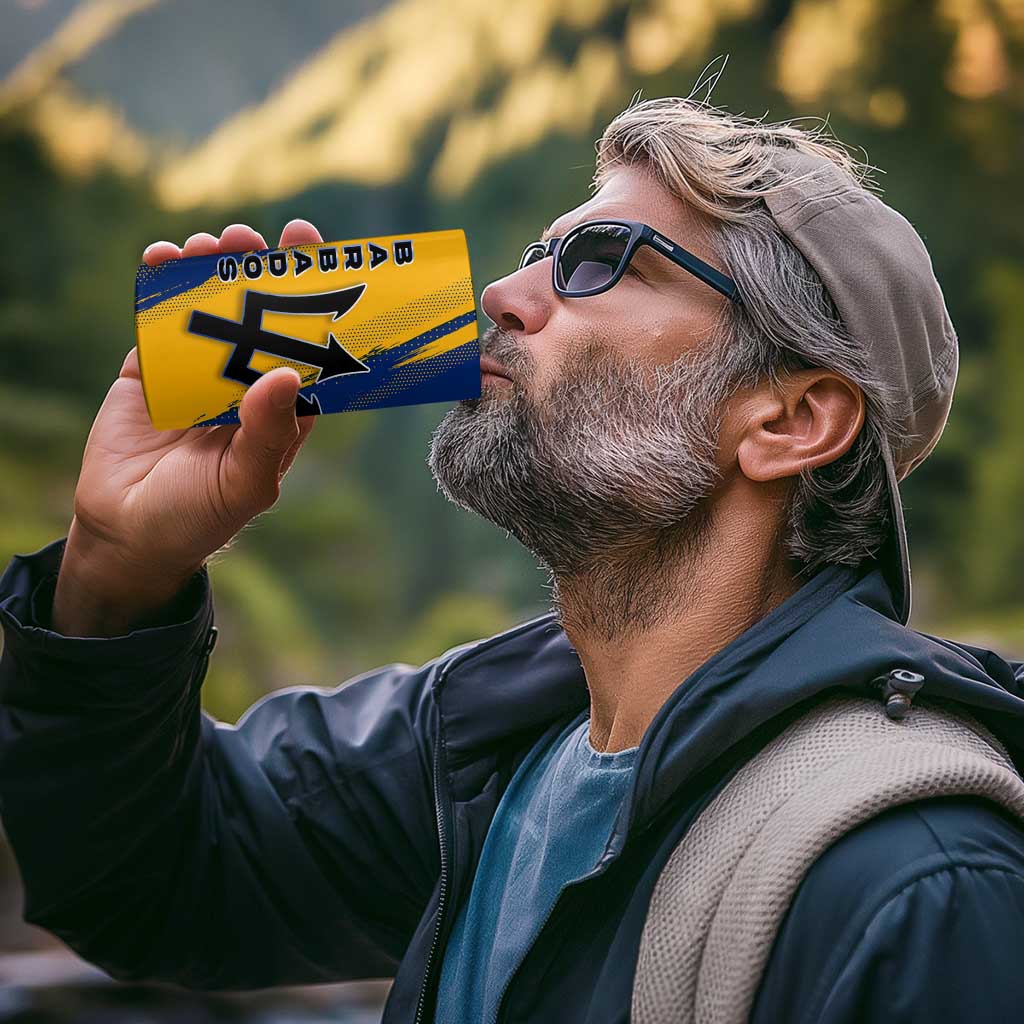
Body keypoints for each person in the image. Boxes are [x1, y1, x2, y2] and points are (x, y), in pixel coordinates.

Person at [2, 95, 1024, 1024]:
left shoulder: (918, 883)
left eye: (599, 261)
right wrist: (116, 570)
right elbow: (149, 880)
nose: (502, 291)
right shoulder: (479, 749)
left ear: (791, 419)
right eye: (540, 252)